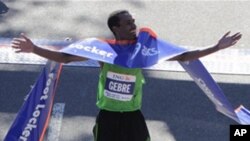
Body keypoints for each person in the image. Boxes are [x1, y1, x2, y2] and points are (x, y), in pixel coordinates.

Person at [11, 10, 241, 141]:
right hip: (108, 116)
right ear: (116, 29)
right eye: (128, 23)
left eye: (133, 22)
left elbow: (184, 56)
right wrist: (34, 49)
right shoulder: (104, 51)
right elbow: (66, 58)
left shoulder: (144, 50)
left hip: (133, 117)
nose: (134, 26)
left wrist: (217, 47)